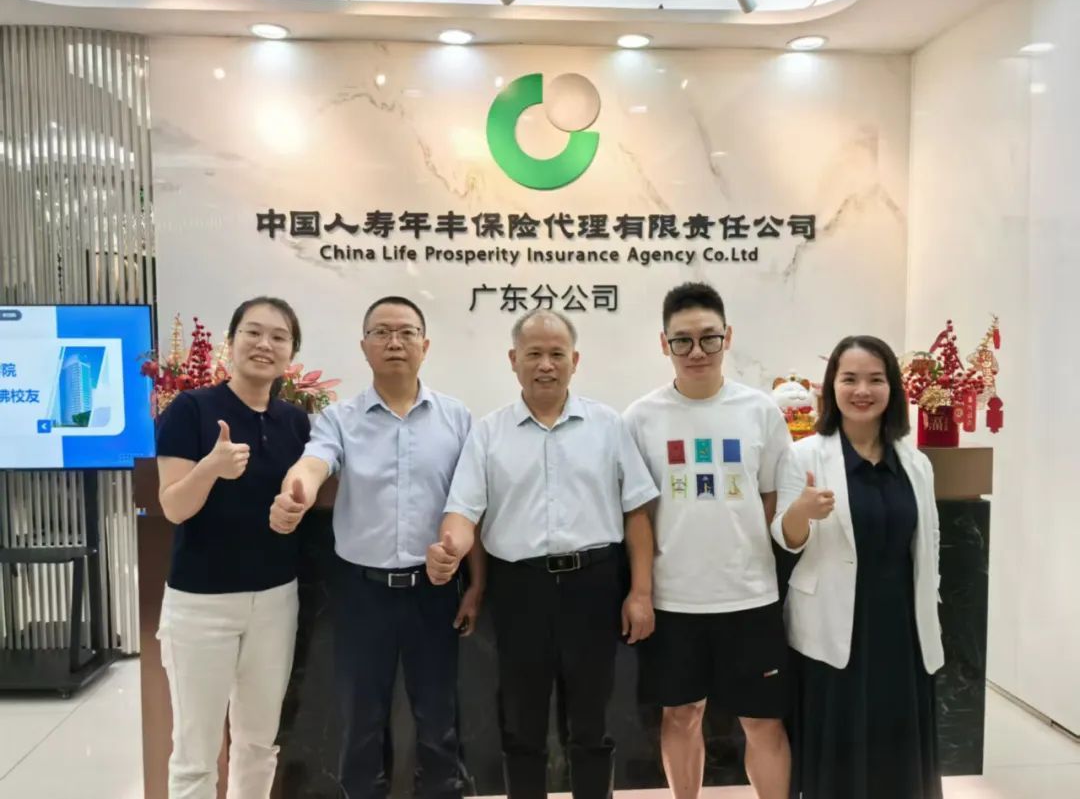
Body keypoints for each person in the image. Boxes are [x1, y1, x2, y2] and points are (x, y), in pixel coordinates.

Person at [426, 310, 659, 799]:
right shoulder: (489, 433)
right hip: (519, 590)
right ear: (514, 360)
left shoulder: (607, 426)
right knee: (521, 724)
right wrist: (450, 548)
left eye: (557, 354)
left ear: (575, 361)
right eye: (534, 354)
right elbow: (464, 512)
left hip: (594, 586)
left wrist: (640, 592)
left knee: (592, 723)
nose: (546, 365)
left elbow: (637, 512)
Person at [269, 296, 475, 799]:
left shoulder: (458, 419)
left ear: (425, 345)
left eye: (406, 332)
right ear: (364, 347)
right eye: (381, 332)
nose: (394, 342)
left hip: (434, 591)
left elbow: (470, 504)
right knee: (361, 723)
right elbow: (314, 462)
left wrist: (473, 583)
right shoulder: (339, 419)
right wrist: (297, 491)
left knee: (438, 721)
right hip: (363, 594)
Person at [623, 282, 793, 799]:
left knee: (763, 721)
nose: (696, 351)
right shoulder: (640, 418)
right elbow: (638, 514)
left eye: (708, 338)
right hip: (675, 600)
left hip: (751, 597)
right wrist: (642, 592)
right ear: (664, 343)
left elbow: (772, 499)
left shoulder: (761, 411)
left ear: (728, 337)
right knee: (680, 715)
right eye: (682, 340)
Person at [772, 335, 944, 799]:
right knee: (840, 745)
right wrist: (802, 512)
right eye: (849, 379)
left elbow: (929, 538)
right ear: (832, 386)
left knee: (898, 741)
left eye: (875, 379)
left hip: (903, 624)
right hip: (834, 621)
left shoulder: (915, 462)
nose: (862, 390)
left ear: (892, 389)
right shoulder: (805, 455)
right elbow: (785, 539)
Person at [155, 296, 311, 799]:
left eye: (279, 337)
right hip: (201, 603)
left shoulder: (295, 422)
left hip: (275, 600)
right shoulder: (192, 410)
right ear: (231, 340)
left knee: (259, 742)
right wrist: (211, 468)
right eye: (253, 332)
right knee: (196, 753)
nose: (265, 344)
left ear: (291, 352)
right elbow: (173, 507)